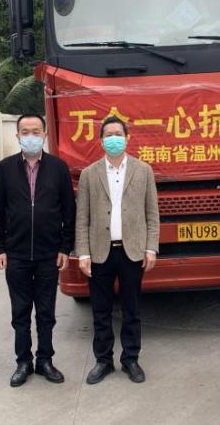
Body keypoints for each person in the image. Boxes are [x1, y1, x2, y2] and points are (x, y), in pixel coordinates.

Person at [0, 114, 75, 387]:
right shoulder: (5, 168)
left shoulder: (58, 168)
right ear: (17, 136)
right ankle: (23, 362)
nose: (30, 136)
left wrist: (65, 246)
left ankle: (45, 360)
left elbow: (68, 210)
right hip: (15, 254)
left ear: (45, 135)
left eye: (36, 131)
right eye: (25, 132)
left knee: (46, 312)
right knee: (20, 313)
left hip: (48, 253)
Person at [76, 116, 159, 385]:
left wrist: (151, 248)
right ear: (101, 141)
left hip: (131, 251)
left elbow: (152, 213)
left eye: (118, 134)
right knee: (100, 311)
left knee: (131, 309)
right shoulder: (89, 174)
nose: (114, 139)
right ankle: (103, 360)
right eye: (108, 135)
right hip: (100, 252)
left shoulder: (143, 170)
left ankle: (130, 359)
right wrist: (83, 253)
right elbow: (82, 217)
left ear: (127, 138)